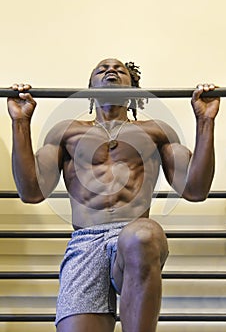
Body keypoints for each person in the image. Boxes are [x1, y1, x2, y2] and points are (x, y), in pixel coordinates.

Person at [7, 58, 220, 332]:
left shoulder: (155, 132)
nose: (111, 71)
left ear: (133, 91)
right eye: (102, 69)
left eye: (119, 70)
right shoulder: (66, 132)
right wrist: (20, 122)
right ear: (90, 89)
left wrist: (205, 120)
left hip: (133, 241)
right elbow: (31, 192)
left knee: (144, 234)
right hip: (85, 241)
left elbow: (195, 189)